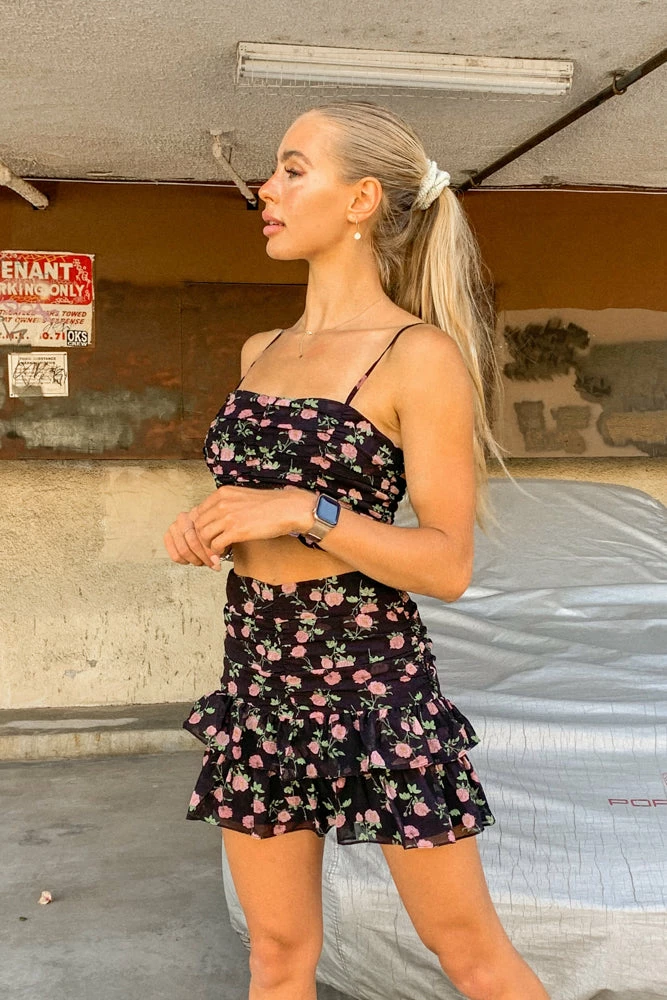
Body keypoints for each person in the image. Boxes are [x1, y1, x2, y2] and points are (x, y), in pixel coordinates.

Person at [164, 101, 551, 1000]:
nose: (266, 189)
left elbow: (446, 565)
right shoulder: (261, 349)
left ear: (361, 199)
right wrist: (212, 522)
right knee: (275, 955)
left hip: (371, 682)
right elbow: (258, 504)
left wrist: (305, 508)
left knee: (468, 953)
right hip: (258, 678)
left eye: (293, 169)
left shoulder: (418, 356)